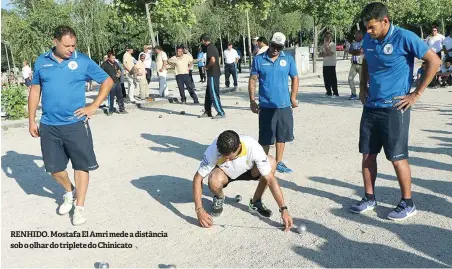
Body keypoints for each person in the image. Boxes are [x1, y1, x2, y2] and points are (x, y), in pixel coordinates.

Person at [351, 2, 441, 220]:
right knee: (367, 154)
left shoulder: (405, 37)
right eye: (366, 28)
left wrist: (415, 94)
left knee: (397, 157)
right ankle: (369, 198)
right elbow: (366, 63)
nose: (368, 32)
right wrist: (363, 86)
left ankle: (407, 202)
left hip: (395, 108)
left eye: (372, 27)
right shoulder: (368, 39)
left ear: (385, 21)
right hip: (371, 107)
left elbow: (434, 61)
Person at [28, 25, 113, 226]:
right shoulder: (42, 61)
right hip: (49, 125)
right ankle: (69, 192)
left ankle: (80, 207)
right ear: (54, 41)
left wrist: (94, 105)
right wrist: (31, 119)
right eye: (67, 46)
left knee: (81, 165)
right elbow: (35, 90)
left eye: (73, 45)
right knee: (55, 169)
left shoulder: (82, 60)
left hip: (75, 124)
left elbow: (108, 81)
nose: (71, 50)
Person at [192, 130, 293, 231]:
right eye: (223, 156)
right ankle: (219, 197)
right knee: (213, 179)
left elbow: (270, 179)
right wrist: (199, 210)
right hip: (225, 173)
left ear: (239, 147)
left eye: (229, 157)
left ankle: (255, 202)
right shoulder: (214, 148)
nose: (226, 160)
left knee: (270, 162)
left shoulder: (253, 146)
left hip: (249, 170)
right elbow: (198, 178)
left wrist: (283, 209)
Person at [248, 32, 299, 174]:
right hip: (266, 106)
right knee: (265, 137)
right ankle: (263, 163)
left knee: (281, 136)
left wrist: (293, 97)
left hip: (284, 105)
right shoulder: (258, 59)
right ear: (269, 44)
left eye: (279, 47)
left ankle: (278, 162)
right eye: (274, 45)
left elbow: (295, 78)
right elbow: (253, 80)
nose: (276, 49)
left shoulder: (288, 59)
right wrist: (252, 101)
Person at [199, 33, 226, 119]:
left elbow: (213, 60)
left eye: (202, 41)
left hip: (213, 74)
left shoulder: (210, 48)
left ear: (203, 40)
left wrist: (207, 67)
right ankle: (207, 111)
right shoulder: (212, 47)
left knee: (214, 93)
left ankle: (221, 112)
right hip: (212, 74)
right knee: (208, 94)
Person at [319, 32, 338, 97]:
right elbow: (320, 54)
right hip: (325, 64)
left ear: (331, 38)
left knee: (332, 79)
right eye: (326, 37)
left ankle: (335, 92)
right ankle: (328, 92)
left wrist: (326, 47)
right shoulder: (322, 45)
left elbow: (330, 53)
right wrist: (325, 53)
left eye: (328, 37)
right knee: (326, 79)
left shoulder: (332, 45)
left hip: (331, 64)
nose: (327, 38)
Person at [348, 30, 364, 100]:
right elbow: (350, 51)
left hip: (362, 64)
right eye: (355, 35)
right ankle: (353, 93)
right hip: (354, 64)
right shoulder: (353, 43)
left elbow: (361, 51)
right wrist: (356, 51)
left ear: (360, 35)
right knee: (350, 78)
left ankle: (362, 93)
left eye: (356, 35)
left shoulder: (364, 42)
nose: (355, 36)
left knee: (362, 81)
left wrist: (355, 51)